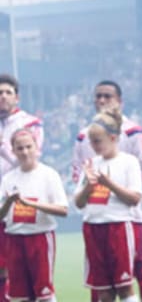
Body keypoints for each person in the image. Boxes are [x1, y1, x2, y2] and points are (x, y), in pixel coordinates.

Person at [71, 81, 142, 302]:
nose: (101, 100)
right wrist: (89, 188)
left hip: (121, 224)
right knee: (102, 288)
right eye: (97, 96)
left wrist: (110, 185)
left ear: (113, 137)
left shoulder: (130, 149)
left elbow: (140, 185)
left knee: (128, 280)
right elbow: (78, 197)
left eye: (107, 96)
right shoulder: (88, 155)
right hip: (93, 226)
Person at [0, 128, 67, 302]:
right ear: (13, 151)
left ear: (36, 147)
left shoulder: (48, 175)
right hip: (14, 239)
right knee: (21, 296)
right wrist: (8, 203)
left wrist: (31, 204)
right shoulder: (8, 179)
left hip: (40, 238)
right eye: (20, 148)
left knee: (44, 293)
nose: (25, 152)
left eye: (28, 147)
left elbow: (62, 209)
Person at [0, 73, 44, 300]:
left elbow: (30, 160)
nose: (3, 97)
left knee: (18, 268)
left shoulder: (29, 124)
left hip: (19, 201)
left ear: (17, 97)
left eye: (8, 92)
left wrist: (3, 148)